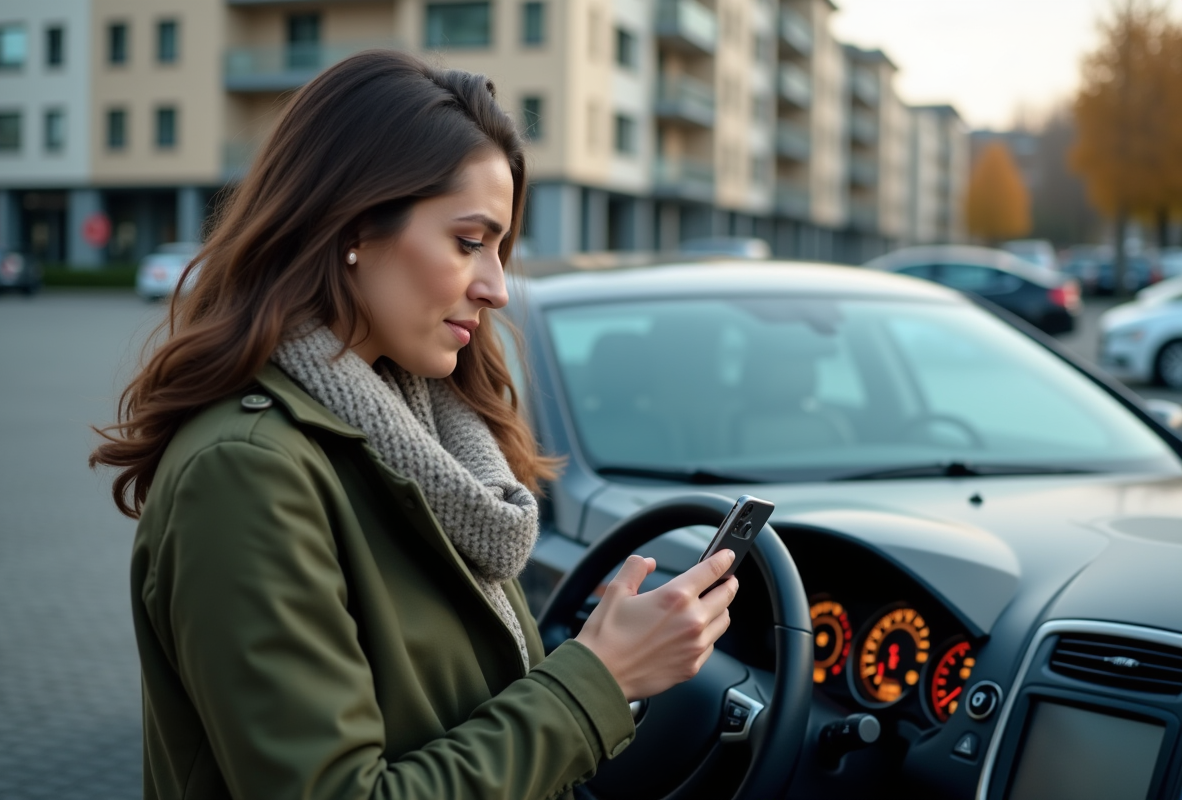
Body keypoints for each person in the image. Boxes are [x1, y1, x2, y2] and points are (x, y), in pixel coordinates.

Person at [91, 50, 738, 800]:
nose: (495, 286)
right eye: (469, 242)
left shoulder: (421, 437)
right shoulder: (248, 472)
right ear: (353, 227)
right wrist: (597, 680)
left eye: (500, 249)